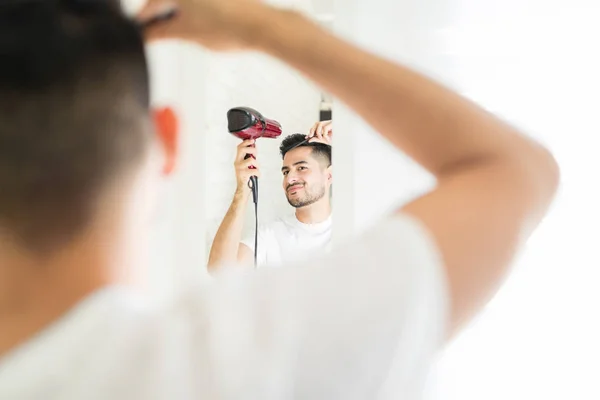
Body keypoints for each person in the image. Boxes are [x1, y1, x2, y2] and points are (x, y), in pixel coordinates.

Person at [0, 0, 559, 399]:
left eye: (300, 167)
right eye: (285, 169)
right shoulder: (234, 365)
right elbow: (517, 172)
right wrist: (272, 28)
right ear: (167, 139)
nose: (291, 178)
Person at [208, 121, 333, 270]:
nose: (290, 179)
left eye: (301, 168)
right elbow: (219, 271)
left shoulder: (353, 227)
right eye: (286, 172)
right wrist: (242, 189)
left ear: (329, 176)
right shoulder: (270, 236)